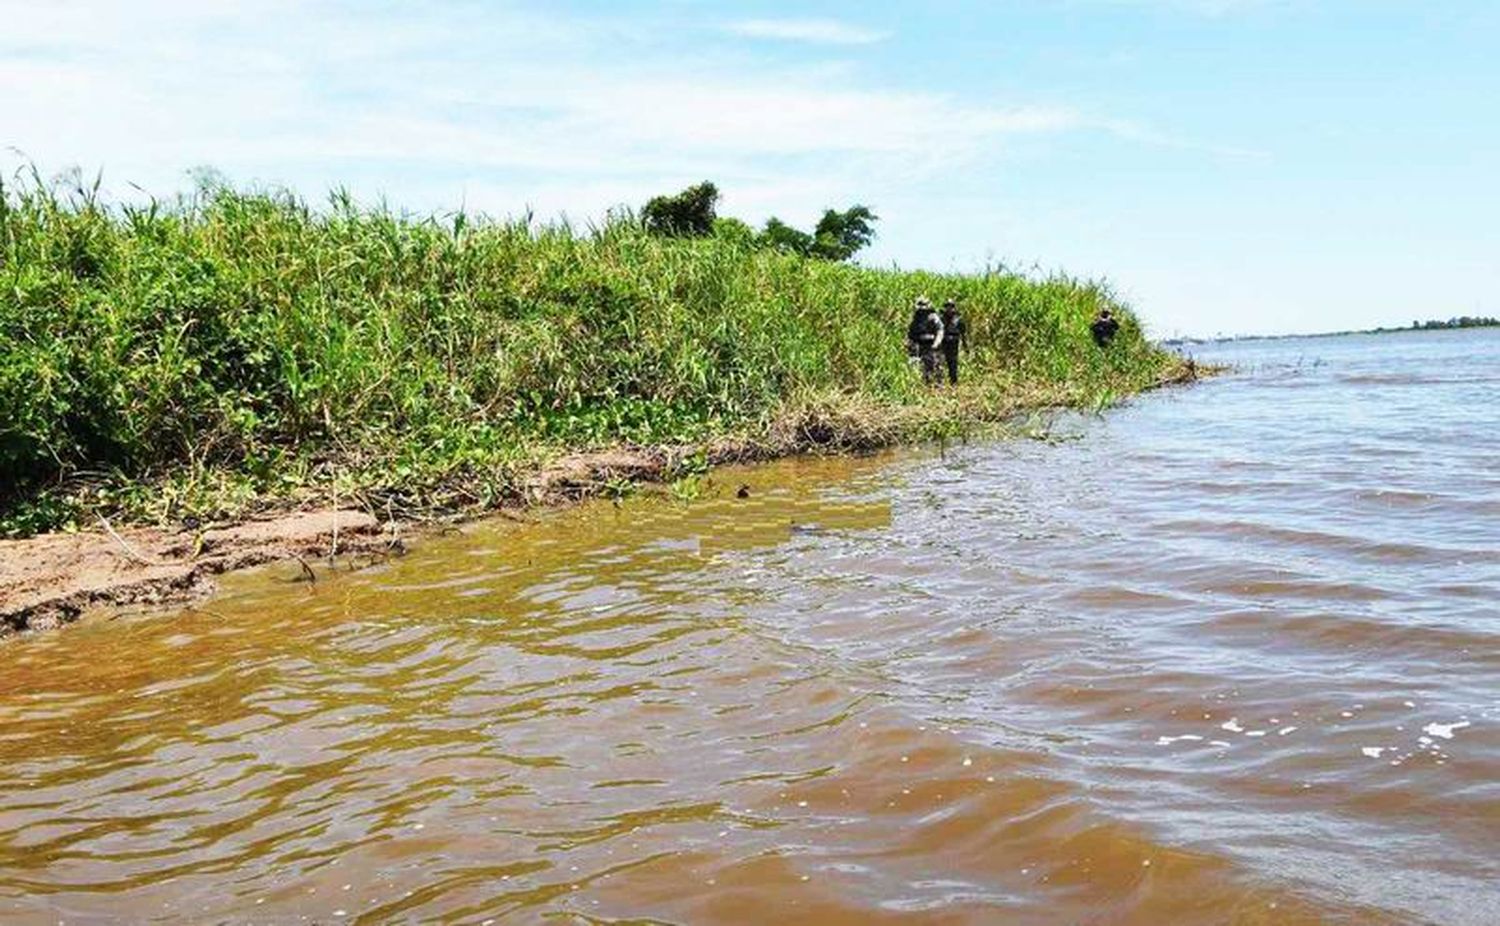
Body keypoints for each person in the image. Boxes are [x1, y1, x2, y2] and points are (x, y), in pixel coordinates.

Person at [906, 296, 944, 385]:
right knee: (919, 364)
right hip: (918, 344)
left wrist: (936, 343)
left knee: (934, 363)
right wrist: (909, 342)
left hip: (930, 344)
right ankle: (926, 382)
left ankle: (939, 383)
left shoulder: (933, 317)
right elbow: (911, 331)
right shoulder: (916, 317)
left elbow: (940, 330)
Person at [939, 298, 966, 385]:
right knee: (941, 362)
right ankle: (940, 382)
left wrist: (965, 346)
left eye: (951, 307)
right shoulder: (941, 319)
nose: (949, 309)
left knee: (953, 363)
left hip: (954, 343)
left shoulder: (958, 319)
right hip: (943, 343)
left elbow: (963, 334)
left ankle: (953, 382)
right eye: (947, 307)